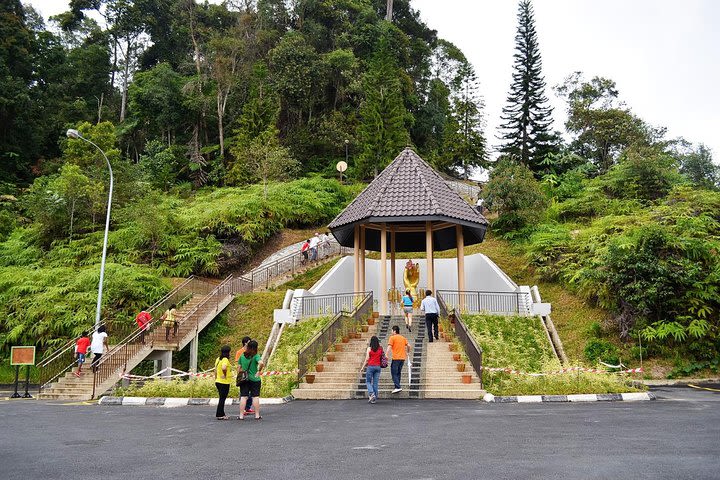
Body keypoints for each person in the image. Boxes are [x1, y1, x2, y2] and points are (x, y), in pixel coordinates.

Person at [237, 340, 264, 420]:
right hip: (254, 379)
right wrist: (259, 371)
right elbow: (261, 363)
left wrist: (239, 375)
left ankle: (241, 416)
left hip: (244, 379)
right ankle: (257, 415)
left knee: (243, 396)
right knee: (255, 397)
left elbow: (238, 368)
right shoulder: (256, 356)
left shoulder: (242, 356)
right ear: (256, 347)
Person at [234, 336, 254, 415]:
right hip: (243, 374)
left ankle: (248, 407)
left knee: (251, 392)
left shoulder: (252, 351)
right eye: (249, 341)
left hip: (251, 373)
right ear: (245, 343)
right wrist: (239, 374)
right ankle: (243, 409)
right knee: (243, 393)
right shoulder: (239, 352)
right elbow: (238, 364)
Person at [360, 335, 383, 404]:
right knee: (375, 383)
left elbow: (367, 359)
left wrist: (362, 367)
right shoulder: (380, 348)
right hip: (378, 367)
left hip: (371, 367)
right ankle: (374, 398)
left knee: (368, 381)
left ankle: (371, 393)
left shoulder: (369, 349)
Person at [387, 325, 409, 394]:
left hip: (396, 358)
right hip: (402, 358)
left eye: (392, 330)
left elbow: (389, 346)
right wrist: (408, 352)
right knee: (398, 372)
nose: (391, 332)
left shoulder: (392, 338)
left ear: (394, 331)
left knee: (394, 372)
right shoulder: (403, 338)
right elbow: (409, 345)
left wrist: (386, 354)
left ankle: (398, 387)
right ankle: (397, 387)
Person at [214, 345, 233, 420]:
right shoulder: (225, 359)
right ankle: (219, 414)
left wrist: (216, 378)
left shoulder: (218, 359)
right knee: (222, 399)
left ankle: (222, 413)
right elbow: (224, 367)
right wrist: (224, 375)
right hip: (224, 382)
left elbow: (215, 370)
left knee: (221, 398)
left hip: (218, 381)